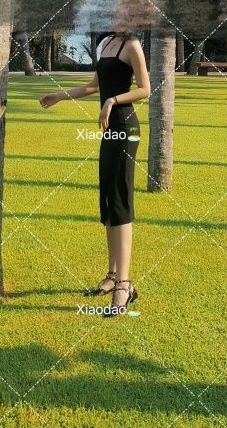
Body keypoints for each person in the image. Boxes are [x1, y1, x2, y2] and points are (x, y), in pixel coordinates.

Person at [39, 31, 150, 315]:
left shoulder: (132, 44)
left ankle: (125, 285)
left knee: (120, 201)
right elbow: (93, 86)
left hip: (126, 126)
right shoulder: (108, 43)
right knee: (109, 200)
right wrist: (60, 96)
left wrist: (112, 101)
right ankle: (112, 276)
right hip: (110, 130)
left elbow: (144, 89)